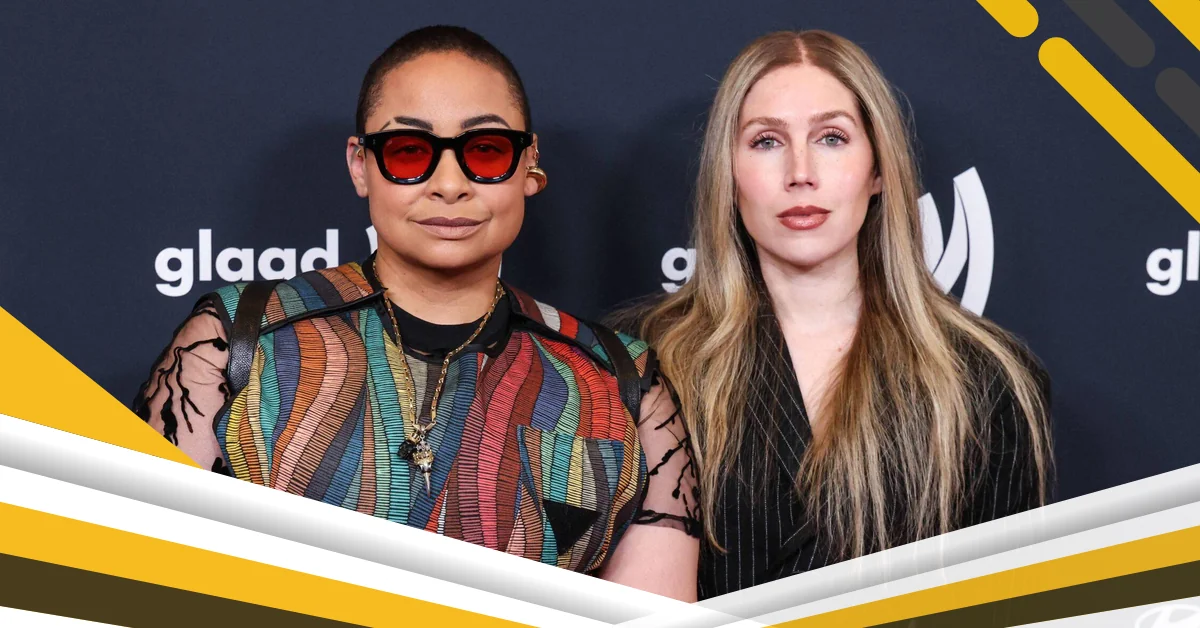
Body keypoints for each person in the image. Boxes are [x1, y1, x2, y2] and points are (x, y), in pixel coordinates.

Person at [133, 25, 699, 600]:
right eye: (409, 152)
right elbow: (148, 588)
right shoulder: (237, 339)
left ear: (529, 164)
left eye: (486, 150)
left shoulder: (622, 381)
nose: (449, 185)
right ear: (361, 165)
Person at [632, 30, 1052, 598]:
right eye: (766, 141)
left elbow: (1002, 606)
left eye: (831, 138)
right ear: (727, 175)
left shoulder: (988, 378)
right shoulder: (637, 362)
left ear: (878, 169)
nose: (800, 172)